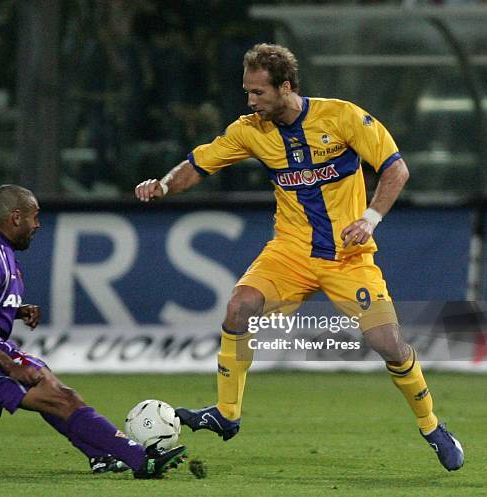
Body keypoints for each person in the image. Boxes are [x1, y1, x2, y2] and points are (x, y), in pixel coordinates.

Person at [135, 44, 464, 471]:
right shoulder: (250, 130)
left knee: (390, 346)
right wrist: (162, 186)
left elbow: (395, 169)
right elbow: (199, 164)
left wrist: (369, 218)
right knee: (239, 306)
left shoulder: (342, 116)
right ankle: (227, 413)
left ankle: (433, 427)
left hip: (348, 257)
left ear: (285, 87)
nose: (250, 102)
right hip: (289, 253)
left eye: (258, 93)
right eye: (247, 92)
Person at [0, 184, 186, 478]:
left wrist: (14, 311)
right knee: (58, 397)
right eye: (33, 216)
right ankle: (140, 459)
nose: (37, 224)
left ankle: (101, 454)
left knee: (53, 386)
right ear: (15, 217)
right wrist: (11, 367)